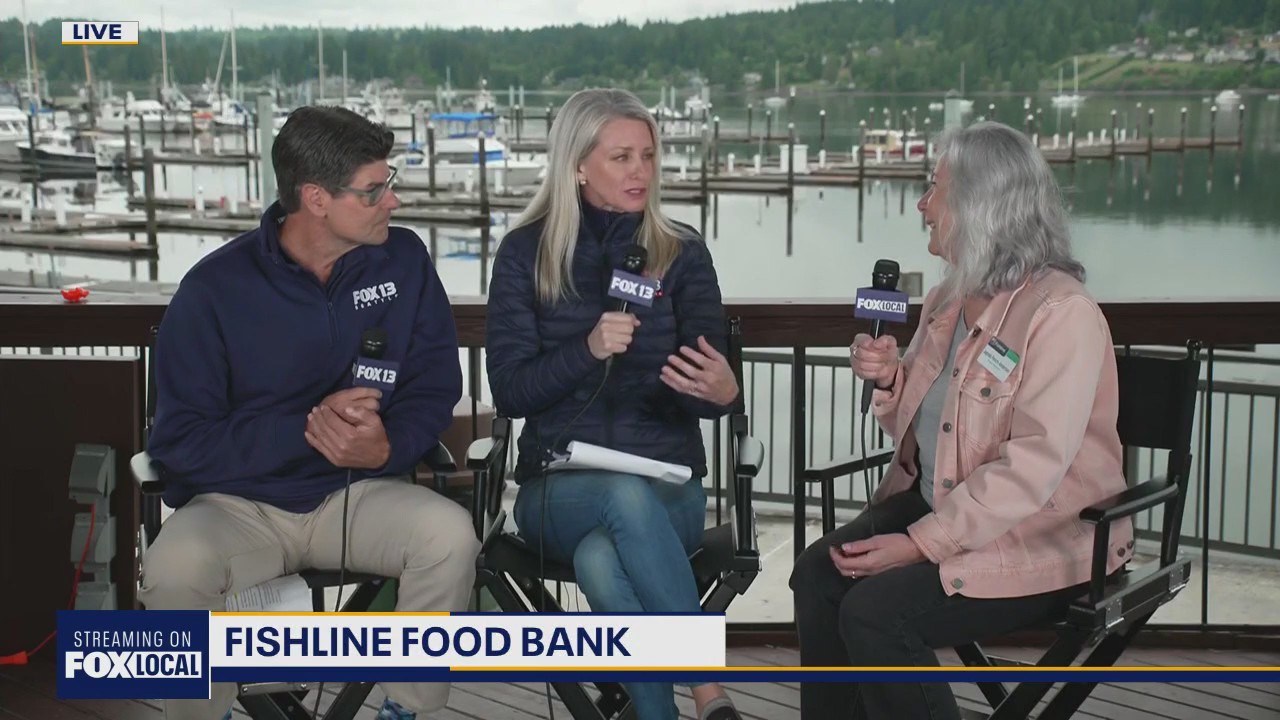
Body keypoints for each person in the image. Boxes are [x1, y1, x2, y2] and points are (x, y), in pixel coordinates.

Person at [140, 106, 480, 720]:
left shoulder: (404, 261)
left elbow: (434, 385)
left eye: (389, 182)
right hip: (236, 507)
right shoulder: (213, 289)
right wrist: (307, 429)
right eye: (373, 190)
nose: (393, 201)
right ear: (316, 198)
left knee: (449, 536)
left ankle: (407, 709)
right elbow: (181, 442)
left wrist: (387, 445)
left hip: (359, 493)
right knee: (172, 569)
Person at [789, 121, 1134, 720]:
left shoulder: (1062, 313)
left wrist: (919, 544)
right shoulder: (947, 300)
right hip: (945, 505)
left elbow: (1032, 468)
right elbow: (929, 432)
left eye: (934, 188)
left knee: (874, 616)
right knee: (817, 575)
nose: (922, 205)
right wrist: (891, 380)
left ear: (980, 205)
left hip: (1045, 536)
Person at [485, 88, 744, 720]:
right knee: (618, 500)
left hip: (669, 488)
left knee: (602, 561)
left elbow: (710, 388)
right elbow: (511, 392)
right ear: (577, 164)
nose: (640, 171)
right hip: (556, 490)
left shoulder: (681, 251)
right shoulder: (525, 253)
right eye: (621, 157)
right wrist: (588, 349)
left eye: (648, 156)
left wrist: (723, 393)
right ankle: (708, 689)